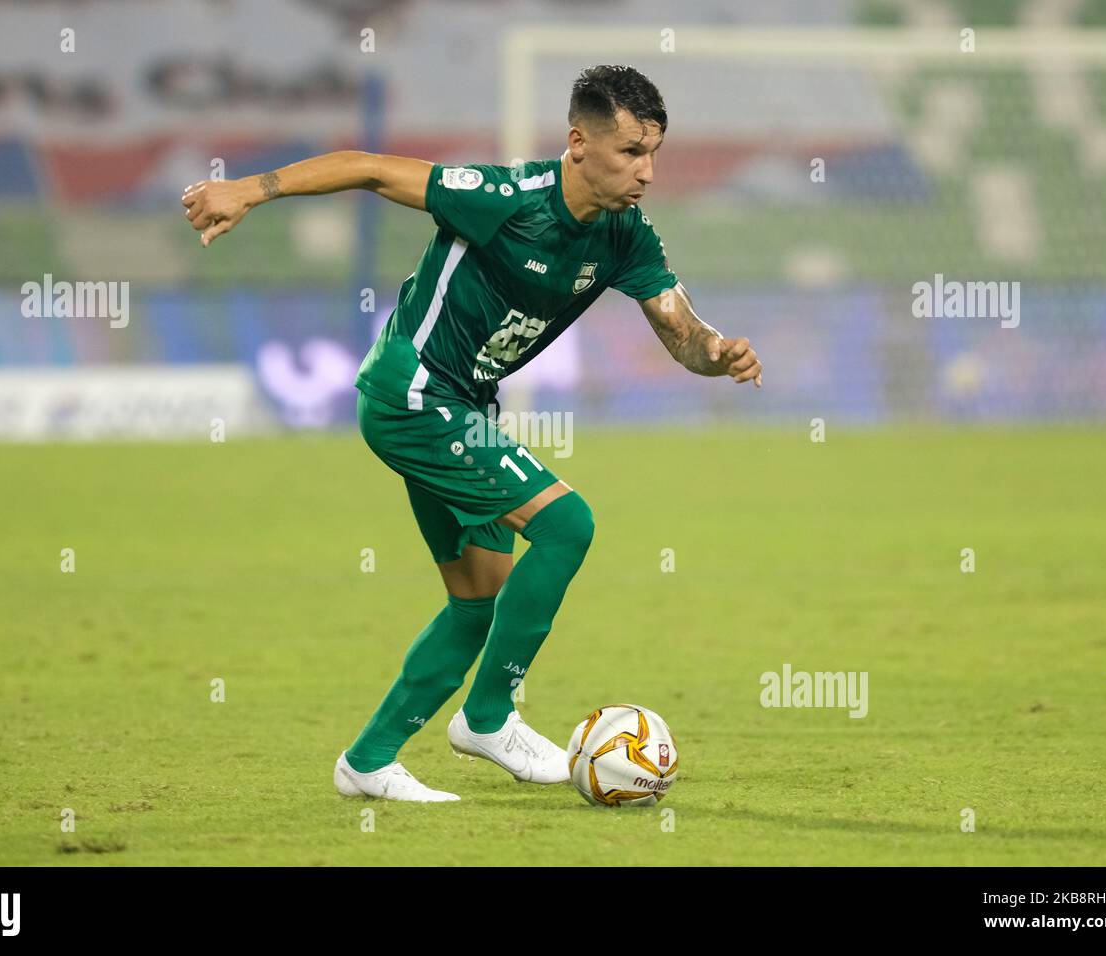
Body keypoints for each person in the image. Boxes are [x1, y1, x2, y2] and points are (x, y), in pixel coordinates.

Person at [181, 64, 762, 802]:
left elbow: (682, 333)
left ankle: (367, 763)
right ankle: (489, 717)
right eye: (629, 154)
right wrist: (248, 190)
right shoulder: (503, 199)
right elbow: (366, 168)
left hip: (463, 408)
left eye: (653, 155)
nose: (646, 172)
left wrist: (718, 355)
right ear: (579, 142)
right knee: (566, 525)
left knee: (476, 601)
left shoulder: (625, 237)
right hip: (413, 394)